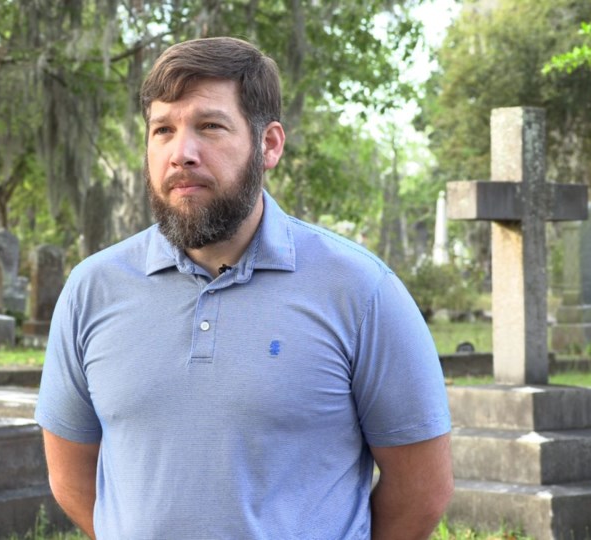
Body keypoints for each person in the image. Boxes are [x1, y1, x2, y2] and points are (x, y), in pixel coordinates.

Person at [34, 36, 453, 539]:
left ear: (269, 144)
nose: (181, 153)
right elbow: (70, 477)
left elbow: (421, 491)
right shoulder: (92, 289)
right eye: (162, 130)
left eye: (209, 126)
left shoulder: (361, 291)